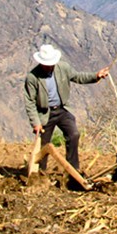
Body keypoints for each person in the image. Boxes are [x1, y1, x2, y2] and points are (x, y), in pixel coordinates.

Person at [23, 44, 109, 183]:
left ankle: (73, 171)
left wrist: (96, 76)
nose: (49, 67)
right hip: (45, 113)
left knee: (74, 134)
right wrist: (36, 123)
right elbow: (30, 102)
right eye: (46, 64)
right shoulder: (32, 77)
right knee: (44, 144)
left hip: (62, 109)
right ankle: (40, 174)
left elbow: (78, 77)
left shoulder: (63, 68)